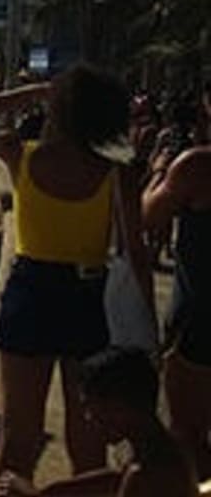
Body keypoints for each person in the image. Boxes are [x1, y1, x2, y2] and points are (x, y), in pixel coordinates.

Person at [0, 66, 151, 488]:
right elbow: (137, 256)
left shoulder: (22, 157)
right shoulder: (116, 172)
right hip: (89, 298)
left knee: (17, 439)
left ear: (59, 109)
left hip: (31, 294)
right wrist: (146, 330)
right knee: (89, 443)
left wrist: (37, 90)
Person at [0, 348, 196, 497]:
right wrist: (50, 493)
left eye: (92, 407)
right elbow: (116, 477)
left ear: (119, 407)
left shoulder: (143, 477)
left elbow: (127, 479)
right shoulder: (163, 445)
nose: (88, 417)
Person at [142, 83, 211, 480]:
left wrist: (157, 172)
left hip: (200, 324)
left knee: (188, 435)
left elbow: (148, 216)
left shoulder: (198, 166)